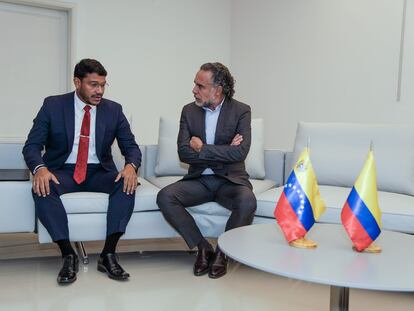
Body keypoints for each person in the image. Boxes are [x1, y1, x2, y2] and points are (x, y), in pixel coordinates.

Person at [23, 59, 141, 284]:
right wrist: (40, 169)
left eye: (103, 85)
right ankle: (68, 254)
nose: (100, 91)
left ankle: (108, 254)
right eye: (93, 85)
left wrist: (130, 166)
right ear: (77, 82)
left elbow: (131, 147)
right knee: (42, 188)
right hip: (62, 171)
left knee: (127, 182)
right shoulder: (53, 106)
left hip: (99, 171)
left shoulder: (113, 110)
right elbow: (31, 146)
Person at [157, 62, 257, 279]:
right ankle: (203, 247)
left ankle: (223, 252)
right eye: (195, 84)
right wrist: (224, 151)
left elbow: (240, 153)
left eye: (200, 86)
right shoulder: (189, 111)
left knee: (248, 201)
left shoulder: (241, 111)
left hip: (230, 181)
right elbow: (184, 153)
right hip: (199, 180)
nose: (194, 90)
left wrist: (202, 148)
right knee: (165, 196)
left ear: (217, 89)